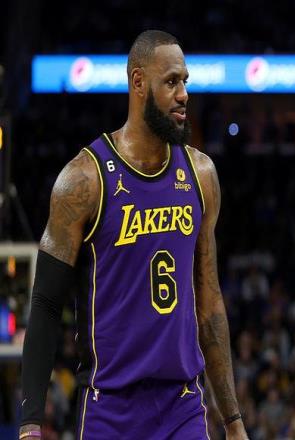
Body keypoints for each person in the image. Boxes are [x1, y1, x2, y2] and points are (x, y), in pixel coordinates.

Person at [20, 30, 248, 440]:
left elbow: (209, 301)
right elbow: (47, 302)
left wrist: (233, 420)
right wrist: (30, 420)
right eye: (171, 82)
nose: (183, 95)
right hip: (110, 406)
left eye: (185, 82)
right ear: (138, 82)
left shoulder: (201, 175)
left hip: (182, 404)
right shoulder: (84, 179)